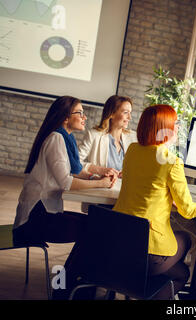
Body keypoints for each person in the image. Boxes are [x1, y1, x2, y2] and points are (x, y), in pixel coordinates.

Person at [113, 104, 196, 299]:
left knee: (179, 272)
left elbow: (146, 185)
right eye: (175, 123)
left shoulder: (132, 150)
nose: (178, 128)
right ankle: (148, 283)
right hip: (147, 250)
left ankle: (140, 283)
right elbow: (187, 210)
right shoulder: (171, 162)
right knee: (186, 243)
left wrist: (164, 198)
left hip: (119, 241)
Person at [13, 96, 118, 299]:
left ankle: (71, 287)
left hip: (45, 213)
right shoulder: (56, 139)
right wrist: (101, 183)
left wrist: (97, 176)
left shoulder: (63, 137)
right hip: (34, 220)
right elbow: (66, 182)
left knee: (95, 227)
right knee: (95, 230)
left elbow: (74, 171)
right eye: (79, 112)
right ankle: (68, 289)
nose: (84, 117)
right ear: (65, 118)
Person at [78, 95, 137, 177]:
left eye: (130, 113)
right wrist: (100, 170)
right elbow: (75, 162)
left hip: (125, 188)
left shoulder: (133, 137)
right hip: (100, 187)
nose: (129, 117)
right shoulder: (94, 135)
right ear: (112, 114)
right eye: (125, 112)